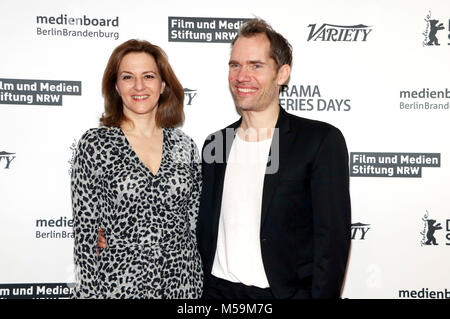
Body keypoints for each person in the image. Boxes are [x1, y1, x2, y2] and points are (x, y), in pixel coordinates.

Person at [196, 18, 351, 299]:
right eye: (235, 65)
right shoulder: (216, 143)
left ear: (282, 74)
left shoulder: (319, 141)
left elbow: (331, 243)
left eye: (256, 66)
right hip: (217, 293)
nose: (242, 76)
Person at [71, 39, 203, 299]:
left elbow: (194, 223)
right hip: (119, 286)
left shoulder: (185, 145)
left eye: (149, 76)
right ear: (116, 86)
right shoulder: (95, 144)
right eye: (128, 77)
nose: (139, 86)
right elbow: (85, 237)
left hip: (182, 286)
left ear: (163, 84)